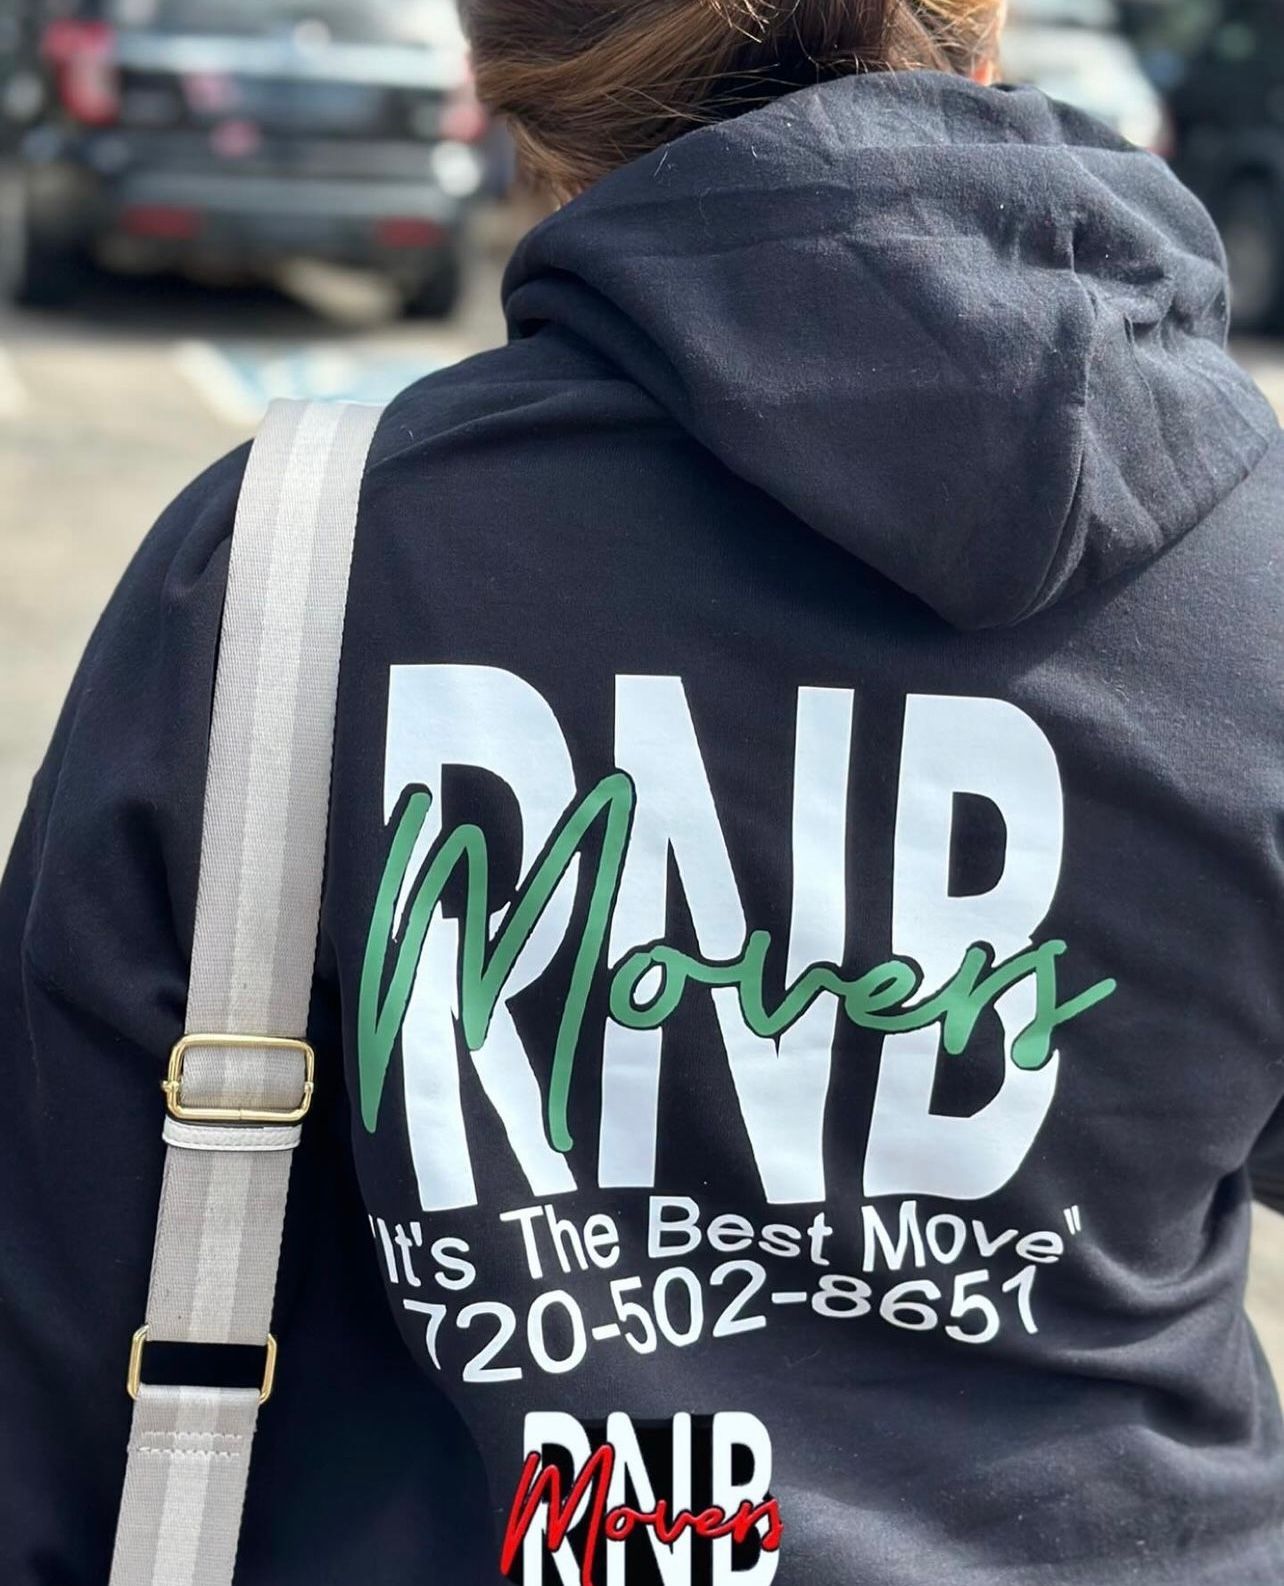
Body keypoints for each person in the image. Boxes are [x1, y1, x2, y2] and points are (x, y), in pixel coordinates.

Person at [3, 0, 1284, 1581]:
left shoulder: (283, 576)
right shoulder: (1255, 580)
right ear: (988, 22)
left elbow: (53, 1317)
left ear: (497, 67)